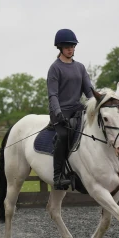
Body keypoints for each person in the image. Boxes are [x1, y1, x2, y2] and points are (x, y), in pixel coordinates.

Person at [47, 28, 95, 190]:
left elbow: (89, 91)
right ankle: (58, 177)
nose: (71, 49)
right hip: (60, 112)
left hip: (77, 109)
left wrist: (99, 103)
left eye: (73, 46)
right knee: (63, 135)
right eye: (67, 46)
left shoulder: (80, 68)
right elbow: (52, 94)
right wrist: (58, 113)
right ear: (60, 47)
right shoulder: (55, 68)